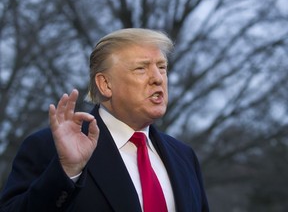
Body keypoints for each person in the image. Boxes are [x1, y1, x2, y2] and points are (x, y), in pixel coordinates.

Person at [0, 28, 209, 212]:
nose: (158, 78)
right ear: (105, 84)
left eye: (162, 67)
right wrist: (67, 172)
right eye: (141, 68)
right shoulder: (50, 148)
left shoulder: (184, 157)